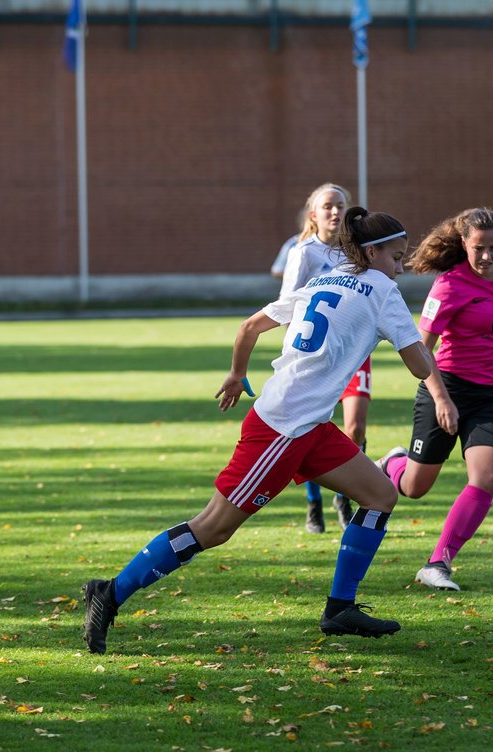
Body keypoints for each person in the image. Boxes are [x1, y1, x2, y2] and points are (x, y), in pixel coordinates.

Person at [81, 207, 435, 654]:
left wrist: (236, 374)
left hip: (308, 424)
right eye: (396, 257)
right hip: (283, 428)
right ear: (370, 252)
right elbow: (419, 364)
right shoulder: (382, 289)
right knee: (212, 528)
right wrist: (426, 351)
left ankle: (340, 608)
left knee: (380, 494)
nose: (400, 268)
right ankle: (108, 593)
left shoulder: (322, 281)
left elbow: (251, 325)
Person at [376, 207, 493, 591]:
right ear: (464, 244)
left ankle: (437, 563)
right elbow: (420, 349)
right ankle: (393, 462)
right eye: (478, 248)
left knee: (488, 477)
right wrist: (443, 400)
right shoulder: (448, 286)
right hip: (444, 387)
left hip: (490, 396)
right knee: (414, 488)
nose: (486, 257)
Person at [281, 183, 371, 533]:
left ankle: (344, 495)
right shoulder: (303, 253)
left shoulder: (357, 253)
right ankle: (314, 503)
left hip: (353, 355)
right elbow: (287, 305)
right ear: (314, 214)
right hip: (316, 359)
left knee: (356, 425)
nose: (335, 212)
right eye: (328, 206)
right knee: (313, 426)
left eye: (341, 206)